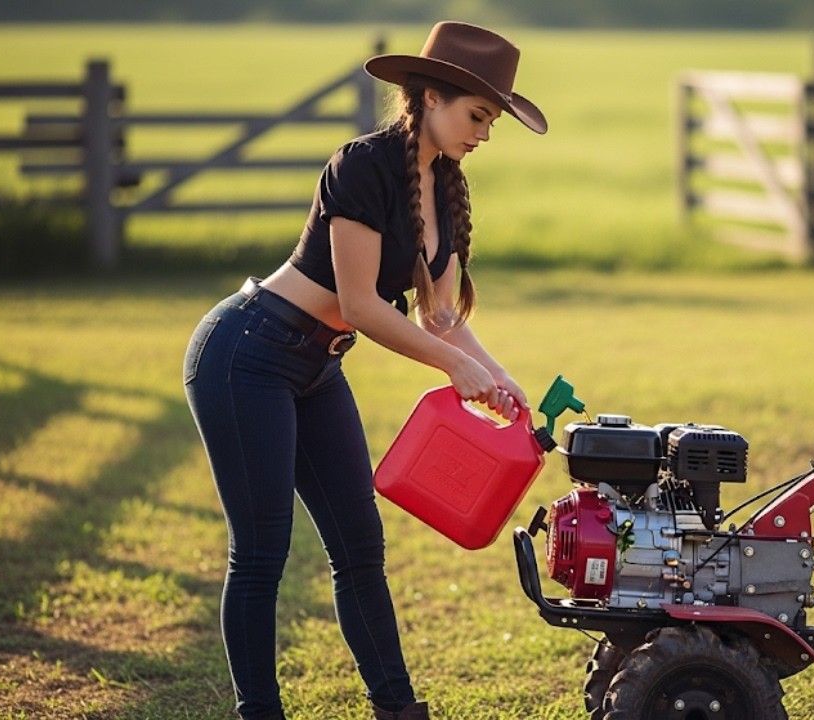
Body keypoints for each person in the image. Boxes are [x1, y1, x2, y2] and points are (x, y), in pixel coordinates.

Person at [183, 21, 547, 720]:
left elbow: (439, 316)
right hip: (247, 353)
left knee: (360, 545)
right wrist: (451, 370)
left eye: (492, 122)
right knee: (262, 552)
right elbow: (361, 304)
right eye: (478, 116)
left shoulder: (441, 187)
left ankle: (398, 708)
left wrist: (497, 378)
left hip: (317, 366)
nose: (484, 134)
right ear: (432, 97)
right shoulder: (362, 165)